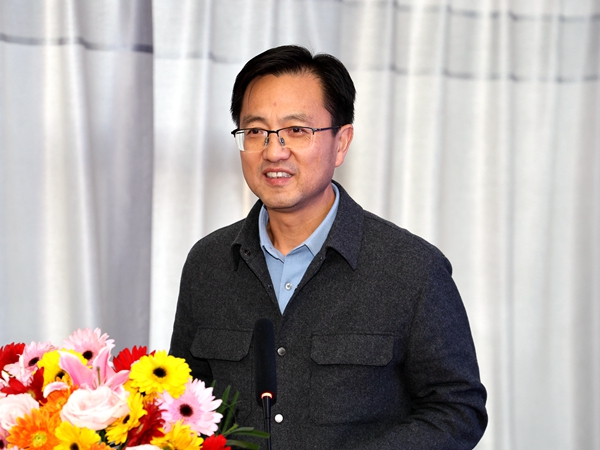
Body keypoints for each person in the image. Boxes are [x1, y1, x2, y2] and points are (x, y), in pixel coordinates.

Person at [169, 45, 487, 449]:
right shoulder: (208, 263)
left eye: (296, 130)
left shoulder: (412, 269)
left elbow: (458, 408)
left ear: (341, 142)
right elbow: (183, 402)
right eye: (256, 132)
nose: (273, 151)